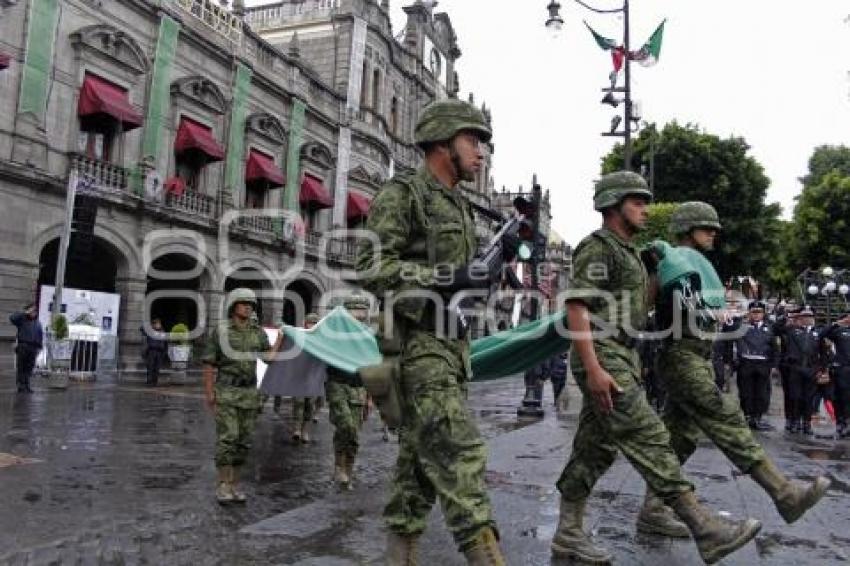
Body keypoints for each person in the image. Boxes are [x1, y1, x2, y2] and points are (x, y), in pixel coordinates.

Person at [555, 178, 761, 565]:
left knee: (593, 449)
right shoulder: (597, 248)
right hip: (603, 353)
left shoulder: (632, 254)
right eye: (638, 202)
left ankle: (568, 533)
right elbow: (576, 309)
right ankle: (705, 527)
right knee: (649, 435)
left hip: (625, 354)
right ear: (613, 204)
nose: (647, 209)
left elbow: (641, 306)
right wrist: (594, 368)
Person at [358, 98, 505, 564]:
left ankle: (399, 554)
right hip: (418, 346)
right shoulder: (405, 194)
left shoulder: (460, 206)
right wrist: (445, 279)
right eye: (472, 141)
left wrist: (488, 270)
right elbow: (372, 265)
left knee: (418, 467)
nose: (480, 153)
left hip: (451, 344)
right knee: (459, 452)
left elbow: (463, 277)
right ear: (443, 143)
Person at [652, 202, 829, 540]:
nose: (714, 233)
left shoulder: (695, 262)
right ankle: (784, 494)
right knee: (726, 420)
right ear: (688, 229)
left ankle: (653, 510)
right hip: (682, 355)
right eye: (706, 228)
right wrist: (707, 313)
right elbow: (684, 300)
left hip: (696, 355)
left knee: (680, 439)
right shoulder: (679, 260)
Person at [202, 288, 284, 505]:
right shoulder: (221, 330)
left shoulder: (258, 332)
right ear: (233, 305)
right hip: (227, 392)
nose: (249, 307)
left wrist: (280, 340)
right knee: (228, 439)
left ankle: (235, 485)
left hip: (249, 394)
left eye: (252, 304)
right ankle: (223, 485)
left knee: (244, 441)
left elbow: (268, 358)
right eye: (244, 303)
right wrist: (210, 393)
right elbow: (209, 364)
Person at [326, 303, 369, 490]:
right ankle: (338, 466)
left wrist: (370, 397)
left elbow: (371, 366)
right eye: (355, 309)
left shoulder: (368, 335)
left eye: (363, 310)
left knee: (354, 435)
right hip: (338, 384)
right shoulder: (335, 333)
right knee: (346, 425)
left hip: (358, 388)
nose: (359, 313)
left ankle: (347, 471)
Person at [776, 306, 825, 435]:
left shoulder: (818, 333)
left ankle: (807, 423)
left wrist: (822, 369)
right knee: (795, 396)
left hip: (811, 369)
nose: (807, 319)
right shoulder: (792, 331)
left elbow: (823, 353)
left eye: (809, 316)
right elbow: (777, 328)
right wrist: (788, 314)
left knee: (808, 398)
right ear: (800, 318)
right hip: (795, 368)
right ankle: (795, 421)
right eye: (804, 316)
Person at [733, 301, 779, 430]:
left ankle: (757, 418)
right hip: (746, 363)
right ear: (749, 313)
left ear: (763, 314)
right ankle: (747, 416)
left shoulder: (769, 328)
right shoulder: (741, 326)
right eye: (754, 312)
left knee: (761, 393)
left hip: (763, 364)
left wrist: (774, 365)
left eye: (759, 312)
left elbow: (774, 348)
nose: (756, 315)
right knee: (745, 392)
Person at [291, 313, 320, 443]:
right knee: (298, 402)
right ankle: (297, 429)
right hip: (299, 376)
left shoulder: (321, 340)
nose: (312, 325)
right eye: (310, 323)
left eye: (314, 323)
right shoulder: (299, 337)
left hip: (314, 378)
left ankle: (305, 430)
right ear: (305, 323)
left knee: (310, 404)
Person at [823, 311, 850, 437]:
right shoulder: (840, 331)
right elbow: (823, 334)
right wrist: (836, 324)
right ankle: (841, 422)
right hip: (842, 369)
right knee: (840, 397)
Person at [9, 303, 43, 394]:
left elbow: (40, 335)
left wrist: (39, 347)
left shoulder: (37, 322)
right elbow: (12, 318)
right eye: (32, 310)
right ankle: (21, 386)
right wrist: (24, 313)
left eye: (35, 311)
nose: (34, 312)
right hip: (23, 346)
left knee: (29, 368)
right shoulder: (22, 319)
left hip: (33, 348)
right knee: (21, 367)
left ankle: (27, 385)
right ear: (28, 311)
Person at [141, 318, 168, 386]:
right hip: (152, 351)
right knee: (150, 367)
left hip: (160, 352)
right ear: (153, 325)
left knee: (157, 368)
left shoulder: (162, 332)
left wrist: (164, 352)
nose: (158, 325)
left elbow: (165, 343)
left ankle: (154, 382)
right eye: (156, 324)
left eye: (159, 323)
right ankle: (149, 381)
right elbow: (141, 329)